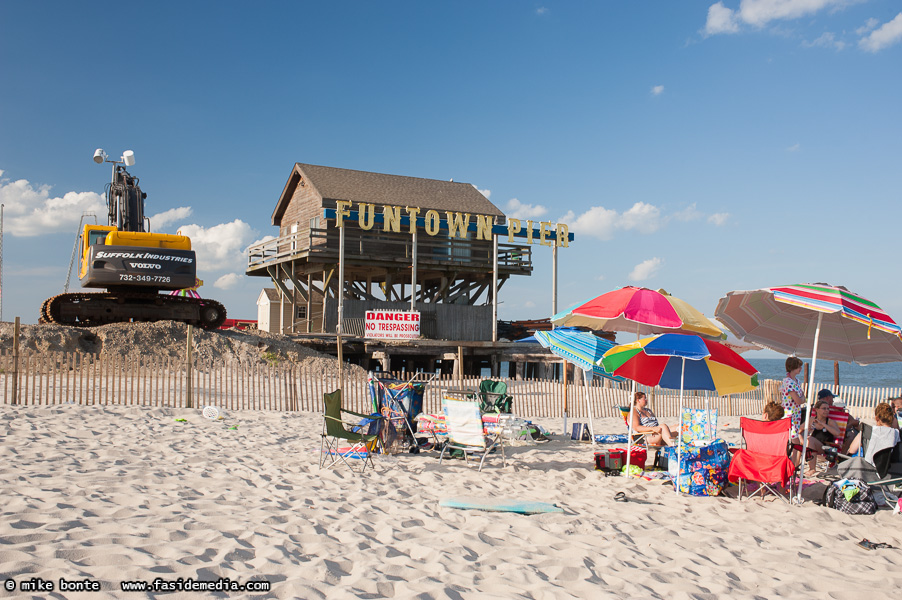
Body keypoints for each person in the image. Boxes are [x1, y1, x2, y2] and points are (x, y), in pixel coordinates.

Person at [780, 357, 806, 438]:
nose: (801, 368)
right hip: (789, 413)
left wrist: (801, 399)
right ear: (793, 367)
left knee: (795, 436)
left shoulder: (797, 381)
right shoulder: (788, 382)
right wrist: (802, 399)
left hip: (796, 413)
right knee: (791, 437)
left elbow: (803, 397)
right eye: (799, 367)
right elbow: (799, 400)